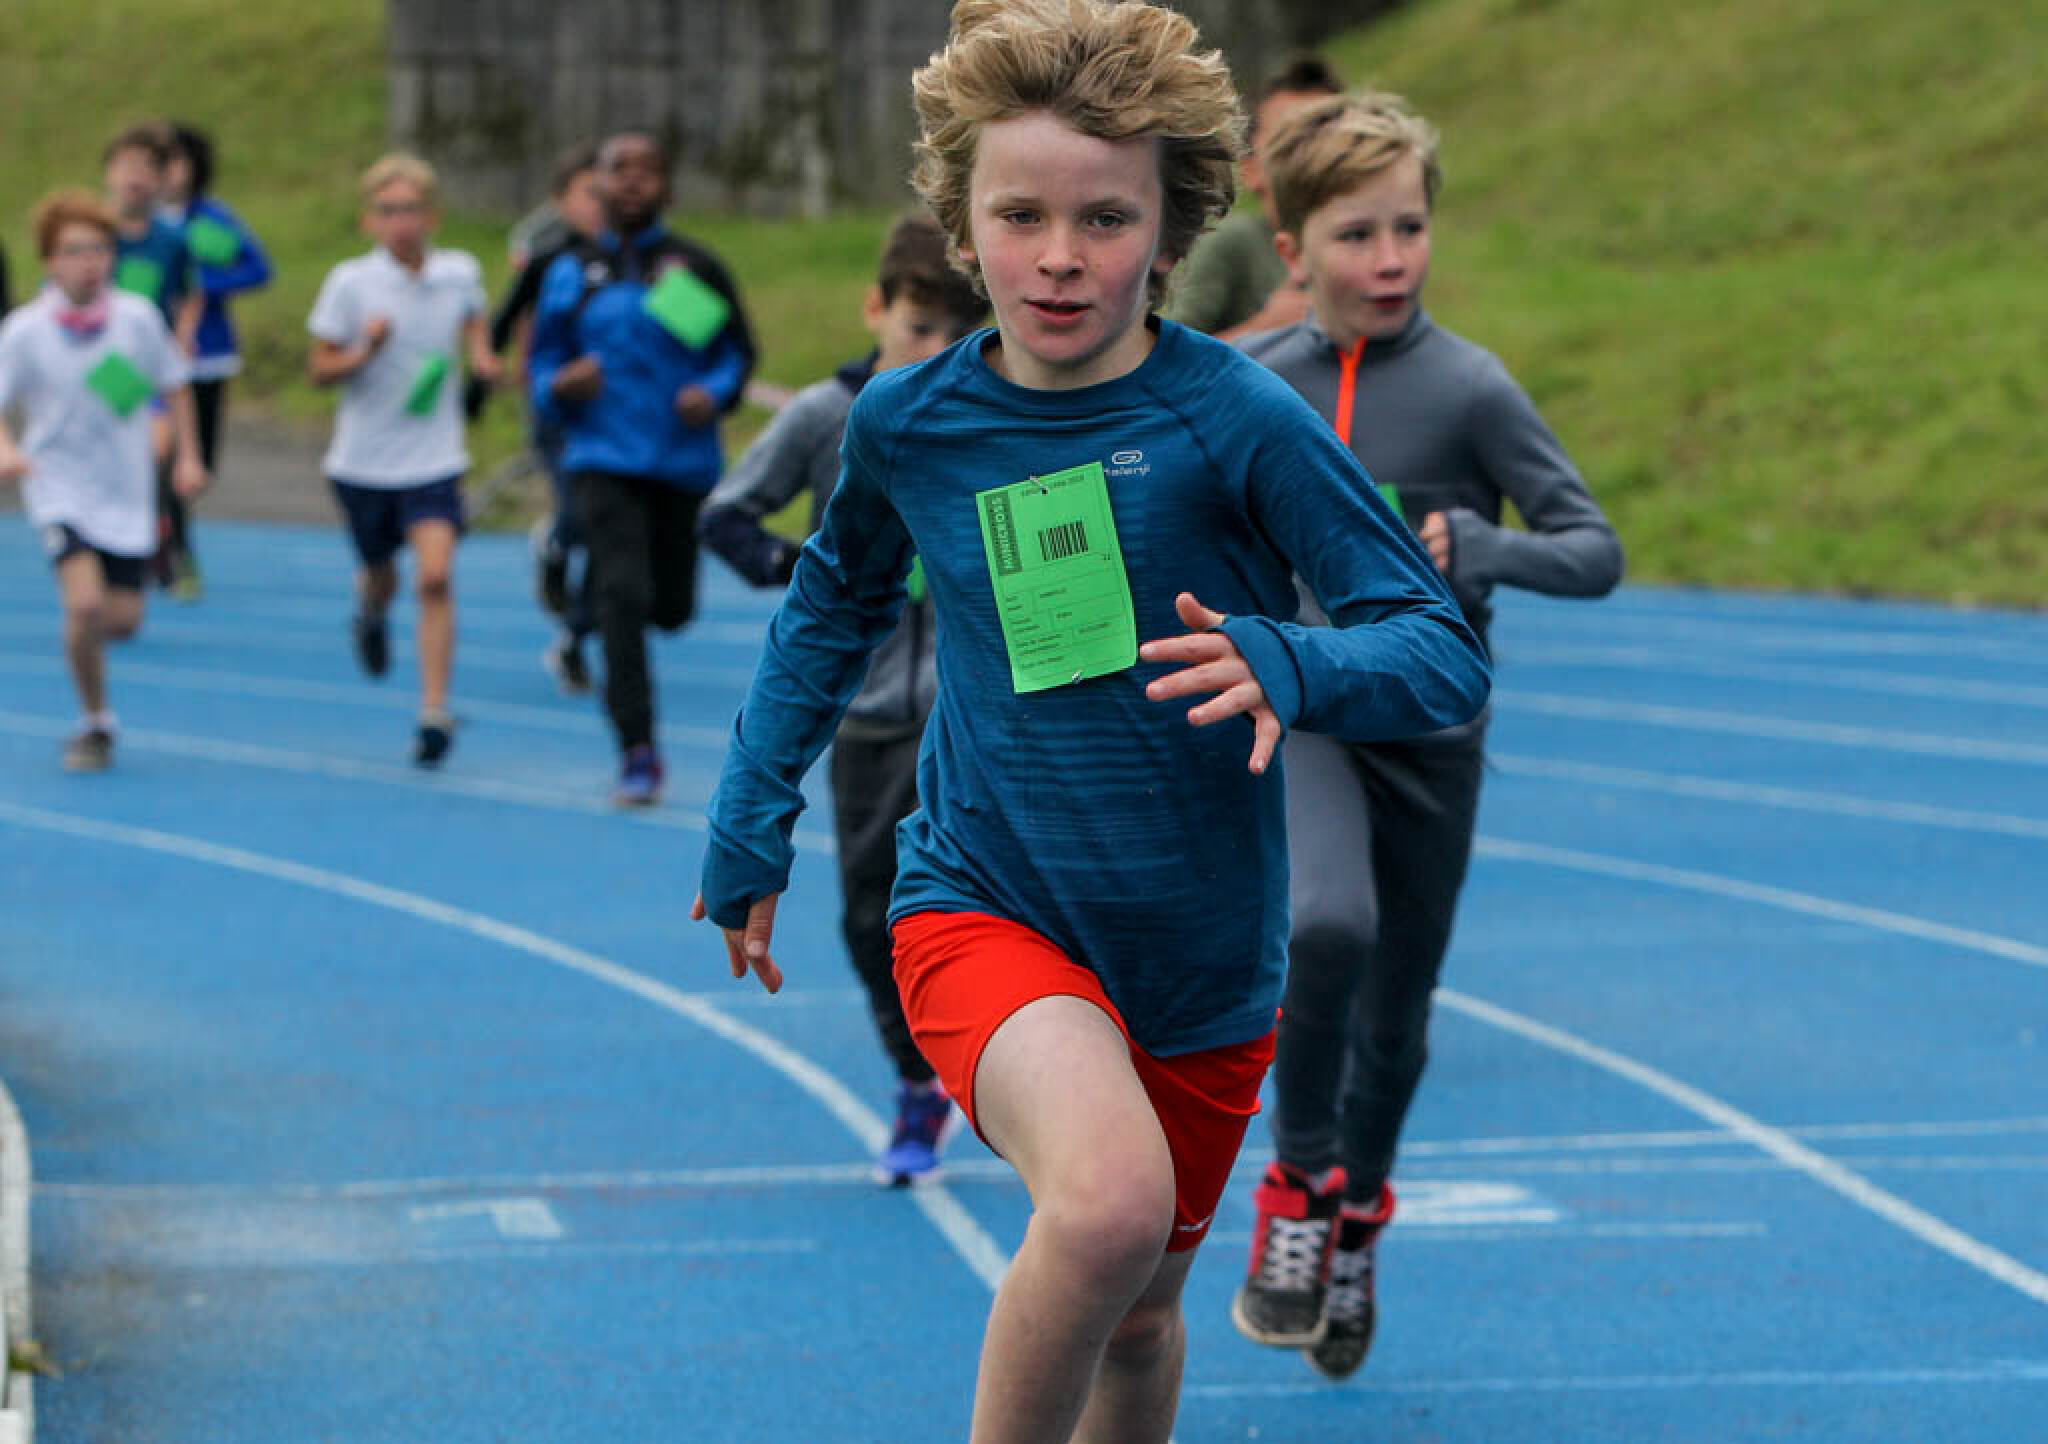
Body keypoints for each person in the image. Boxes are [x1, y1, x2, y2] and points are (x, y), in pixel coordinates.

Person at [691, 4, 1491, 1440]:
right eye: (1021, 215)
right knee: (1110, 1206)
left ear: (1170, 231)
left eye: (1104, 218)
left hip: (1198, 956)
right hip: (986, 903)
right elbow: (828, 608)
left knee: (1137, 1317)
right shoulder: (907, 422)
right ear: (961, 222)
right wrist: (751, 813)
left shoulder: (1236, 418)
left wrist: (1288, 661)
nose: (1059, 255)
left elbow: (1437, 652)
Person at [1230, 90, 1625, 1379]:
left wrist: (1484, 548)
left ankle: (1358, 1214)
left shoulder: (1469, 389)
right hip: (1307, 712)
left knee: (1396, 1012)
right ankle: (1295, 1186)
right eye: (1355, 234)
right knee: (1322, 924)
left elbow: (1592, 550)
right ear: (1291, 248)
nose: (1389, 258)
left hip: (1432, 728)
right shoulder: (1254, 387)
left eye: (1407, 228)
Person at [698, 214, 989, 1185]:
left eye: (958, 334)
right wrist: (817, 573)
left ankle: (1019, 1076)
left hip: (974, 711)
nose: (935, 352)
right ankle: (917, 1080)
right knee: (872, 918)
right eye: (918, 329)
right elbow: (725, 515)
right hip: (866, 711)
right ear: (874, 310)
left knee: (1002, 906)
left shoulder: (999, 415)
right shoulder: (827, 416)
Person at [527, 129, 757, 806]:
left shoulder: (694, 266)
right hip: (600, 457)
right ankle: (638, 751)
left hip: (681, 463)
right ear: (597, 182)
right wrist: (559, 386)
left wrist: (711, 393)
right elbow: (542, 361)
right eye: (617, 168)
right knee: (620, 599)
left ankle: (616, 593)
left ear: (667, 187)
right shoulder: (569, 272)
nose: (631, 180)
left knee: (673, 609)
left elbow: (737, 354)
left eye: (646, 170)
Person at [0, 190, 208, 771]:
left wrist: (187, 456)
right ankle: (95, 721)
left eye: (98, 249)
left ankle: (85, 647)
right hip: (56, 485)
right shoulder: (25, 330)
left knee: (122, 620)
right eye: (73, 251)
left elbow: (175, 385)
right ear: (50, 261)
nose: (88, 262)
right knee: (86, 604)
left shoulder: (136, 319)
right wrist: (7, 449)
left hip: (125, 489)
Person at [307, 153, 500, 767]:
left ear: (432, 215)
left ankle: (433, 711)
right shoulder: (350, 283)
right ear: (370, 220)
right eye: (388, 211)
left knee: (435, 577)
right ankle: (371, 609)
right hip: (363, 462)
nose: (401, 222)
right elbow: (319, 368)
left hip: (435, 457)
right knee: (383, 575)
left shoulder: (459, 272)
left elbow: (474, 320)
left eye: (411, 209)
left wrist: (483, 358)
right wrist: (365, 350)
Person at [475, 141, 605, 692]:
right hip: (559, 411)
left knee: (613, 536)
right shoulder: (551, 259)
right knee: (582, 516)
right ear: (560, 200)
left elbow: (699, 329)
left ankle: (575, 638)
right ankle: (555, 540)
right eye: (589, 193)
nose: (602, 203)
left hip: (625, 420)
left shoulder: (651, 261)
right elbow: (504, 320)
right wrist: (475, 388)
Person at [157, 120, 275, 600]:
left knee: (200, 461)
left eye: (176, 160)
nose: (168, 171)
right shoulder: (141, 225)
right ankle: (176, 550)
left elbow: (258, 268)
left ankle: (163, 529)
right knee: (159, 454)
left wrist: (204, 286)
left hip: (206, 355)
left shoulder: (209, 220)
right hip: (148, 360)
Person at [1161, 55, 1343, 340]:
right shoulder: (1235, 244)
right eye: (1292, 139)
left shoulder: (1376, 240)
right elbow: (1167, 356)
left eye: (1332, 133)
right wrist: (1264, 327)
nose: (1317, 151)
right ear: (1251, 168)